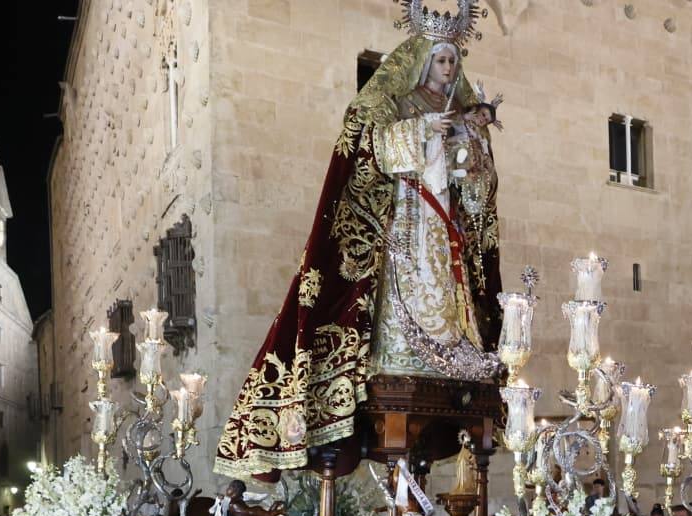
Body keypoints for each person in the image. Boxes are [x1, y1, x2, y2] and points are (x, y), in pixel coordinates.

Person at [214, 8, 504, 479]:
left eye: (454, 59)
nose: (449, 68)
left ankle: (451, 346)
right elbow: (376, 148)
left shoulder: (462, 112)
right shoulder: (399, 102)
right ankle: (400, 348)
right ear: (423, 62)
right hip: (409, 214)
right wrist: (421, 131)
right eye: (441, 59)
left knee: (450, 283)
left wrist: (471, 143)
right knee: (409, 277)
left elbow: (475, 189)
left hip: (445, 222)